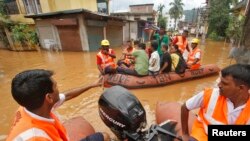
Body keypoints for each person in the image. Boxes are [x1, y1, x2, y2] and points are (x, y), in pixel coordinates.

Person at [6, 69, 110, 141]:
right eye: (56, 86)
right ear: (49, 98)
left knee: (102, 137)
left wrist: (92, 85)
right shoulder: (36, 137)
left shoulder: (30, 106)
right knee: (105, 137)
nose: (58, 89)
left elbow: (67, 95)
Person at [181, 64, 250, 141]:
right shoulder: (210, 95)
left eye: (224, 83)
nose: (219, 85)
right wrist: (185, 134)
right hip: (202, 135)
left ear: (241, 88)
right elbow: (185, 107)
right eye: (220, 81)